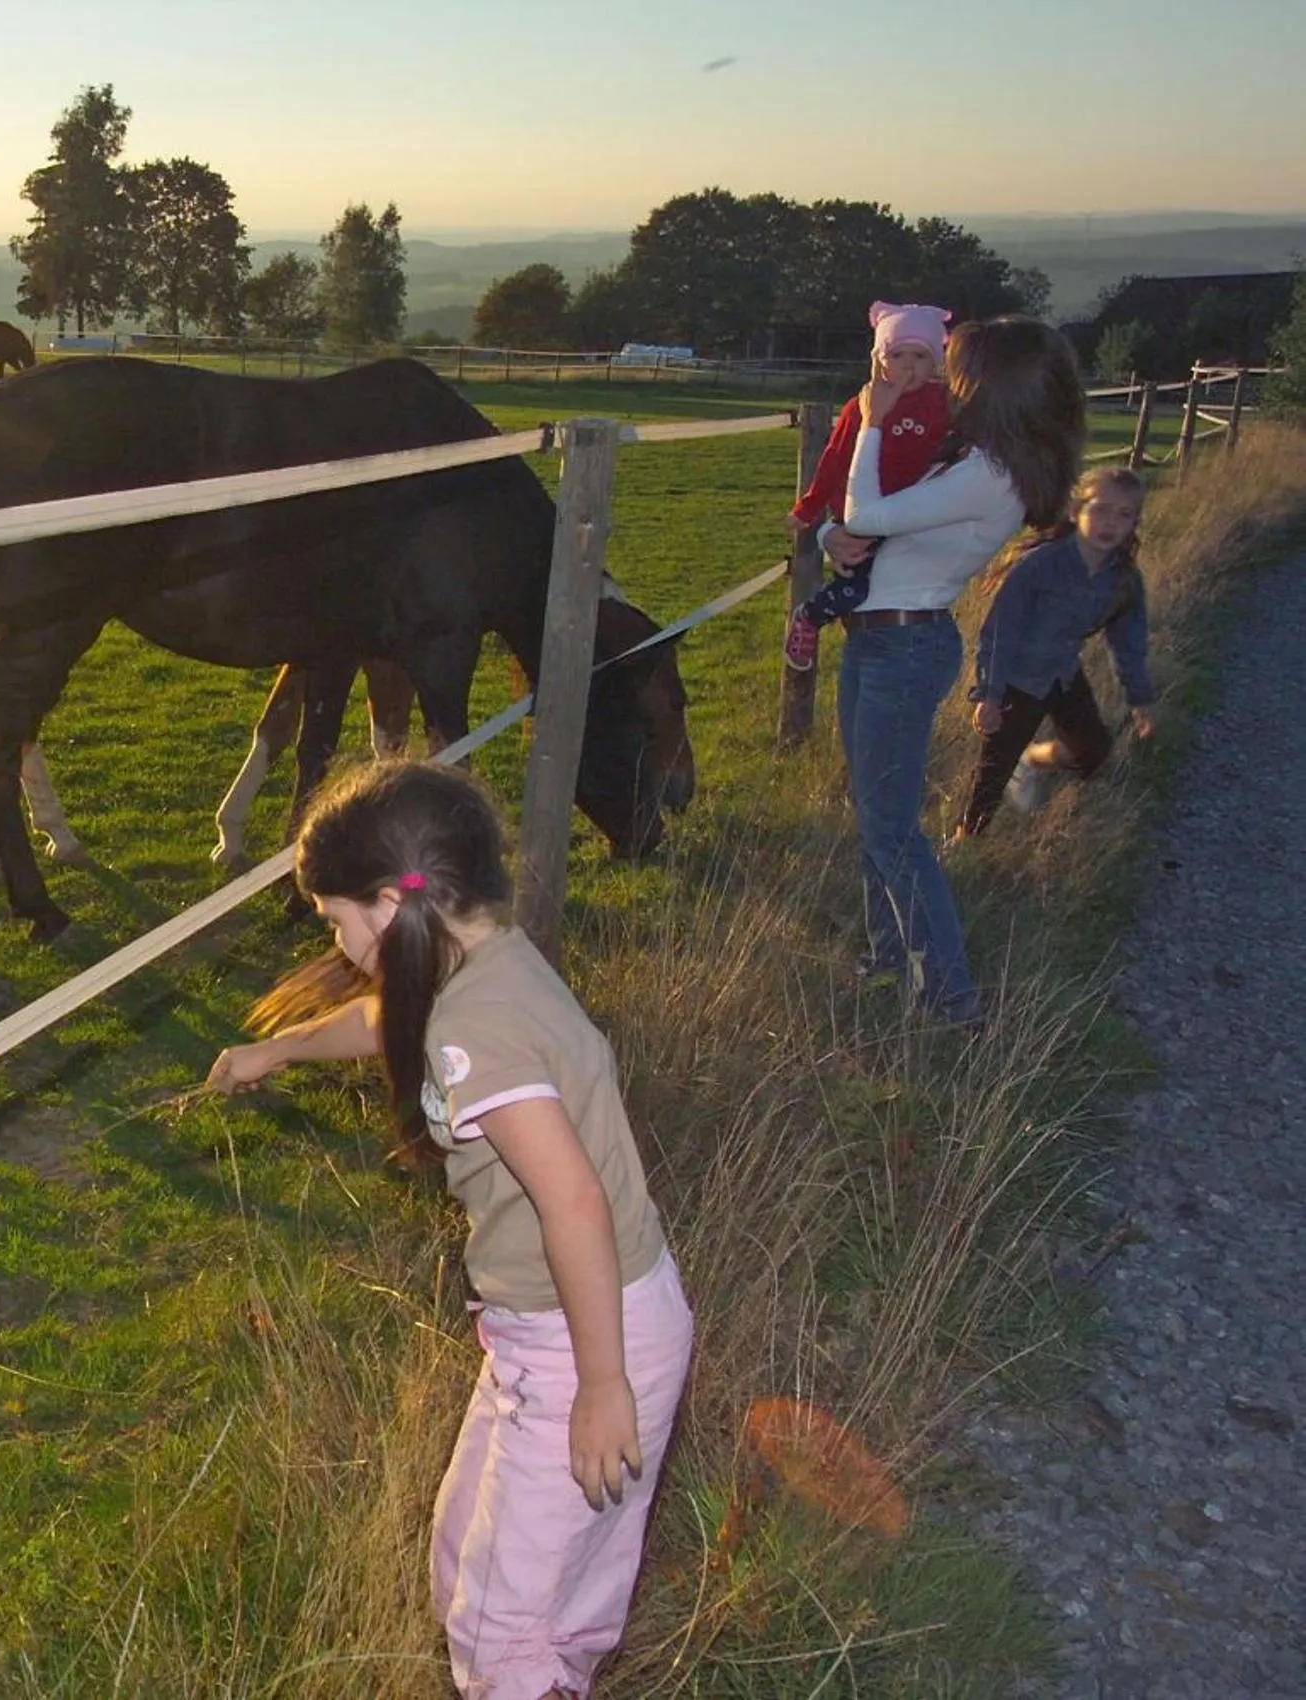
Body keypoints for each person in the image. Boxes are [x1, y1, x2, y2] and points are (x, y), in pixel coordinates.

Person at [204, 760, 691, 1700]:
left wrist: (601, 1384)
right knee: (482, 1574)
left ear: (390, 905)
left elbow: (573, 1204)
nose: (339, 945)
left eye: (336, 921)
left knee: (502, 1629)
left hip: (583, 1339)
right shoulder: (483, 959)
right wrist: (282, 1048)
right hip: (576, 1325)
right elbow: (387, 1018)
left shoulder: (479, 1030)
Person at [819, 314, 1085, 1026]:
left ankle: (950, 998)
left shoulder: (988, 478)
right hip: (884, 639)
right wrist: (828, 536)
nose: (941, 375)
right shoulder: (977, 460)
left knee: (893, 829)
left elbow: (868, 512)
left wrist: (872, 422)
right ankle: (886, 961)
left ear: (989, 387)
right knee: (876, 818)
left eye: (953, 365)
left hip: (901, 649)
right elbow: (859, 529)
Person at [955, 467, 1157, 837]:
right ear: (1075, 510)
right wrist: (990, 695)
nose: (1110, 523)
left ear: (1134, 523)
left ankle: (1032, 759)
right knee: (990, 778)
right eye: (1100, 509)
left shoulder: (1123, 579)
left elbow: (1129, 643)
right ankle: (965, 841)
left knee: (1093, 752)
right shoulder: (1040, 566)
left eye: (1124, 515)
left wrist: (1140, 699)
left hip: (1063, 674)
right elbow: (1000, 632)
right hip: (1017, 680)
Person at [783, 302, 957, 670]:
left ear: (937, 362)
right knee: (858, 584)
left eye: (920, 356)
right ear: (880, 360)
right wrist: (810, 507)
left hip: (912, 513)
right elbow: (833, 457)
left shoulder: (944, 404)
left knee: (894, 583)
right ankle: (811, 616)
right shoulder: (860, 406)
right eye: (897, 354)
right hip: (861, 509)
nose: (909, 365)